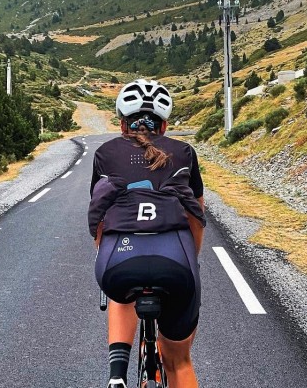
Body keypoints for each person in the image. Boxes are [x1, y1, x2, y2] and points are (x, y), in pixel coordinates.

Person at [89, 79, 206, 388]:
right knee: (179, 361)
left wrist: (103, 251)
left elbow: (99, 215)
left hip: (118, 262)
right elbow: (197, 216)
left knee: (121, 290)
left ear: (122, 123)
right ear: (164, 125)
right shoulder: (184, 152)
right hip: (176, 261)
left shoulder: (105, 153)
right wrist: (192, 260)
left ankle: (116, 377)